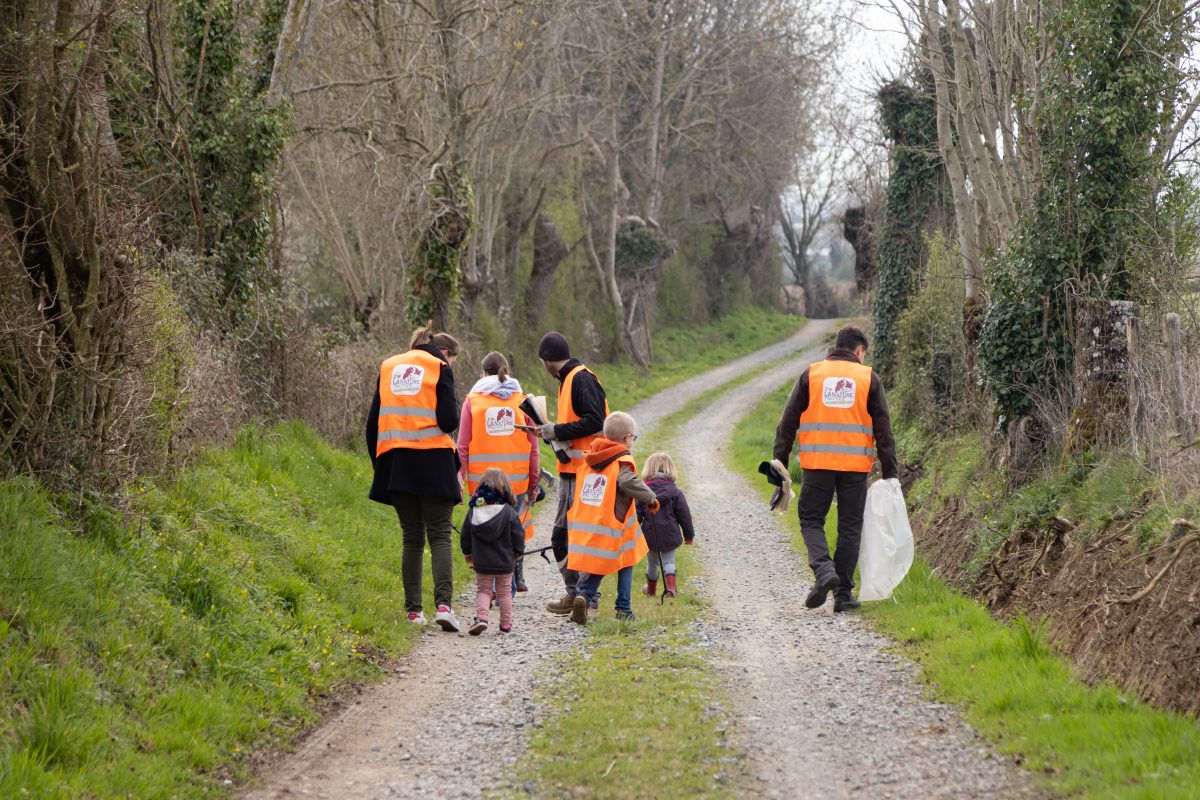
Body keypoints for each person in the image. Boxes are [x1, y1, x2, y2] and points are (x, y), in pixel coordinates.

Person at [772, 324, 898, 613]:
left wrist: (779, 462)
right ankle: (842, 595)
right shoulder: (869, 379)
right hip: (855, 468)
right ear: (859, 350)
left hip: (817, 464)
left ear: (835, 347)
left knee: (811, 519)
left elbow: (787, 421)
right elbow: (884, 430)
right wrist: (891, 473)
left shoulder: (812, 374)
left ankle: (824, 571)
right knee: (850, 527)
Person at [365, 325, 464, 632]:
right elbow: (448, 419)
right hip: (434, 461)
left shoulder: (389, 366)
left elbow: (372, 425)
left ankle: (413, 612)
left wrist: (380, 463)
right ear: (444, 351)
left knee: (411, 538)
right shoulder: (439, 366)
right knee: (439, 536)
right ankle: (444, 606)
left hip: (396, 465)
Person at [536, 332, 609, 615]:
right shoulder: (567, 379)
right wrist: (551, 432)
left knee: (578, 536)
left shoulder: (581, 378)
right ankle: (575, 594)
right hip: (571, 471)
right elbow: (579, 423)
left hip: (586, 472)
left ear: (546, 361)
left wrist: (557, 430)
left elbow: (595, 421)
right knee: (563, 536)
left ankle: (586, 597)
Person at [456, 351, 539, 593]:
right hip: (516, 483)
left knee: (486, 532)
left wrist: (458, 479)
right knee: (513, 534)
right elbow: (533, 450)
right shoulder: (524, 402)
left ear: (483, 374)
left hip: (483, 486)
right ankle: (509, 587)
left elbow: (462, 447)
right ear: (507, 372)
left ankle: (491, 588)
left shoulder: (473, 402)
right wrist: (534, 484)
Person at [567, 411, 659, 625]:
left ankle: (583, 597)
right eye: (633, 438)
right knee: (624, 563)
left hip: (590, 523)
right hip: (615, 525)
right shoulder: (622, 461)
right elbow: (627, 482)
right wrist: (651, 498)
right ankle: (623, 609)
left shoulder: (591, 458)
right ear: (627, 438)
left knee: (601, 564)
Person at [460, 469, 526, 635]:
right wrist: (518, 552)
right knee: (504, 592)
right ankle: (505, 624)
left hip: (481, 561)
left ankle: (482, 618)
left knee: (483, 590)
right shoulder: (509, 512)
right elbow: (518, 535)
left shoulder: (473, 512)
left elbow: (465, 535)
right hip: (504, 561)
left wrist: (468, 553)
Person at [636, 452, 694, 599]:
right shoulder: (675, 492)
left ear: (648, 469)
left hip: (650, 535)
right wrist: (689, 535)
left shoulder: (643, 492)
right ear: (670, 470)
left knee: (652, 563)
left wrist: (633, 531)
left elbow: (636, 515)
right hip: (670, 535)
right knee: (669, 561)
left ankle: (651, 590)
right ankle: (671, 590)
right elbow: (684, 515)